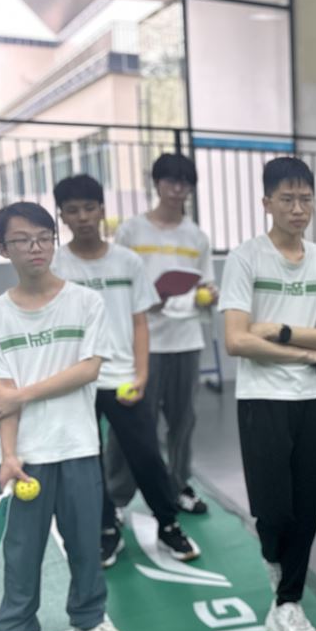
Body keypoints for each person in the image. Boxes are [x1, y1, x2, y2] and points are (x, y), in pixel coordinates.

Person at [0, 202, 124, 631]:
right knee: (21, 551)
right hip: (26, 454)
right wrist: (9, 455)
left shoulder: (86, 303)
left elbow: (89, 369)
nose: (35, 247)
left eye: (43, 237)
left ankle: (90, 617)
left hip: (78, 444)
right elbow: (1, 393)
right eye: (21, 240)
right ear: (4, 250)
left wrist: (22, 394)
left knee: (85, 544)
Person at [220, 157, 316, 631]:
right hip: (261, 398)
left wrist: (278, 331)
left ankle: (289, 602)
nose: (298, 208)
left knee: (307, 507)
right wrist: (301, 354)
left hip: (310, 399)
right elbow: (235, 340)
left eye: (305, 199)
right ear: (266, 203)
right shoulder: (245, 258)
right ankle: (279, 575)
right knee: (272, 511)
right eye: (287, 199)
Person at [51, 174, 200, 566]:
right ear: (62, 215)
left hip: (122, 379)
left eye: (89, 208)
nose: (83, 217)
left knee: (147, 456)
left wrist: (142, 375)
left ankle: (168, 524)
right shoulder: (56, 265)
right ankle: (107, 529)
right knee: (89, 461)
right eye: (72, 210)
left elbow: (139, 322)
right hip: (78, 381)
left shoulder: (127, 261)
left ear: (102, 210)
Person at [107, 153, 215, 516]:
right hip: (142, 342)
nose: (177, 189)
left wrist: (209, 293)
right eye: (170, 181)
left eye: (185, 182)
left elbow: (206, 283)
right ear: (156, 184)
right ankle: (117, 496)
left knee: (183, 422)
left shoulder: (196, 236)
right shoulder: (131, 231)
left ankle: (178, 485)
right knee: (132, 422)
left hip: (186, 340)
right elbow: (119, 281)